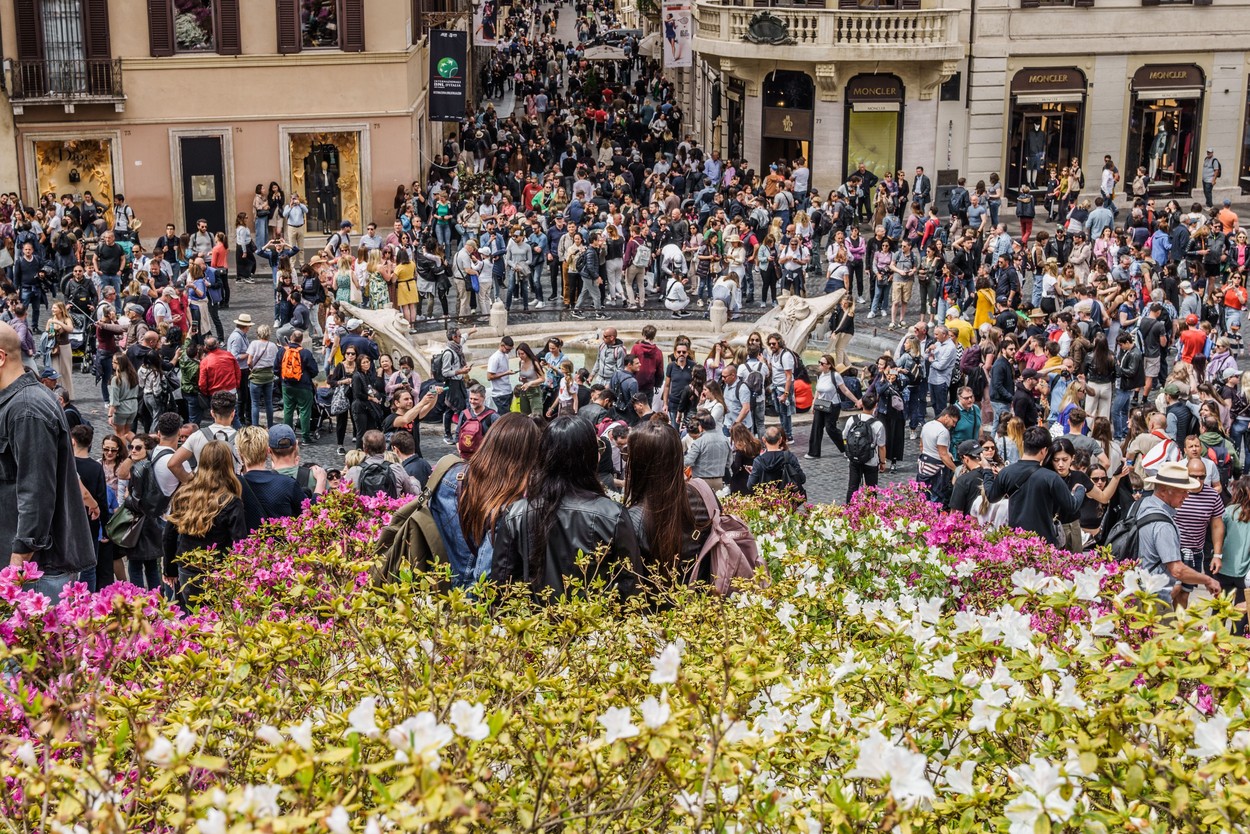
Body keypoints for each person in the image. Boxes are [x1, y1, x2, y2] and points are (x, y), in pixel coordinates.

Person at [492, 416, 642, 600]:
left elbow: (501, 585)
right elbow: (630, 585)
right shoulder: (613, 515)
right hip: (595, 623)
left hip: (532, 623)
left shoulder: (517, 513)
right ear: (591, 457)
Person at [438, 413, 543, 587]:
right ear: (527, 457)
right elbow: (483, 575)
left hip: (436, 586)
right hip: (472, 600)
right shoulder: (508, 504)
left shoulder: (448, 476)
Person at [625, 421, 713, 586]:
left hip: (656, 607)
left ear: (637, 464)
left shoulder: (632, 519)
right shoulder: (703, 495)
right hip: (706, 602)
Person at [163, 440, 248, 607]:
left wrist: (169, 569)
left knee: (191, 618)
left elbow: (169, 534)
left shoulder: (184, 494)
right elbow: (240, 542)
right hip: (218, 570)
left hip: (187, 566)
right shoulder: (230, 501)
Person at [1135, 461, 1222, 606]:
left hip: (1138, 589)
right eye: (1182, 491)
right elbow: (1177, 570)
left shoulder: (1141, 504)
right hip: (1153, 599)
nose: (1186, 496)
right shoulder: (1163, 526)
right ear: (1163, 490)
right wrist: (1208, 580)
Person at [983, 425, 1086, 547]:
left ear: (1023, 445)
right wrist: (1080, 489)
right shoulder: (1051, 477)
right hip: (1043, 544)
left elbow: (991, 496)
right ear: (1044, 450)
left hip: (1017, 542)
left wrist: (987, 471)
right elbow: (1072, 506)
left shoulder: (1007, 472)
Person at [237, 425, 306, 524]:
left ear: (240, 454)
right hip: (280, 539)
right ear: (267, 452)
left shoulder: (234, 486)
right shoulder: (288, 484)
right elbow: (308, 514)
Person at [168, 391, 240, 484]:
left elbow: (172, 464)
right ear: (233, 414)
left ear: (212, 413)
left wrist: (189, 482)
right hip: (230, 490)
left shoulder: (197, 436)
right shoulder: (241, 439)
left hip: (202, 489)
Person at [346, 430, 419, 497]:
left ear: (364, 449)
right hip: (391, 511)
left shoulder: (354, 471)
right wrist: (414, 481)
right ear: (385, 447)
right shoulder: (396, 468)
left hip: (364, 511)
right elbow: (413, 493)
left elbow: (346, 497)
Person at [843, 391, 887, 503]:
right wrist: (882, 463)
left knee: (852, 487)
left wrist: (848, 451)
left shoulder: (852, 419)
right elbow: (881, 446)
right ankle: (870, 513)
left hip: (853, 458)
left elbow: (844, 437)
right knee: (871, 490)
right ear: (875, 406)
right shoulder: (878, 424)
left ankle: (849, 511)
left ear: (861, 403)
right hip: (870, 460)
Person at [280, 330, 319, 444]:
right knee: (305, 411)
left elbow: (277, 369)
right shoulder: (305, 353)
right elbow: (314, 371)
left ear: (291, 337)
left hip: (287, 386)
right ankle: (305, 437)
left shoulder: (282, 351)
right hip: (303, 386)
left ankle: (287, 436)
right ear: (301, 340)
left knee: (288, 410)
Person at [747, 425, 807, 498]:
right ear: (780, 440)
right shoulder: (789, 457)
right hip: (787, 501)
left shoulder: (758, 461)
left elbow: (750, 486)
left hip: (767, 501)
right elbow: (802, 479)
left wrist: (754, 472)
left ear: (763, 440)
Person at [918, 407, 959, 504]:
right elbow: (943, 455)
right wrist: (957, 470)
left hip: (923, 466)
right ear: (946, 416)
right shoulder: (943, 431)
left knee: (922, 498)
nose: (954, 425)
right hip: (937, 470)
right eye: (953, 421)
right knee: (936, 499)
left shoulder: (927, 425)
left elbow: (921, 446)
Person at [684, 410, 731, 492]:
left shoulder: (699, 442)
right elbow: (729, 462)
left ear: (700, 427)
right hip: (719, 481)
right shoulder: (725, 440)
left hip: (701, 482)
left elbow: (688, 461)